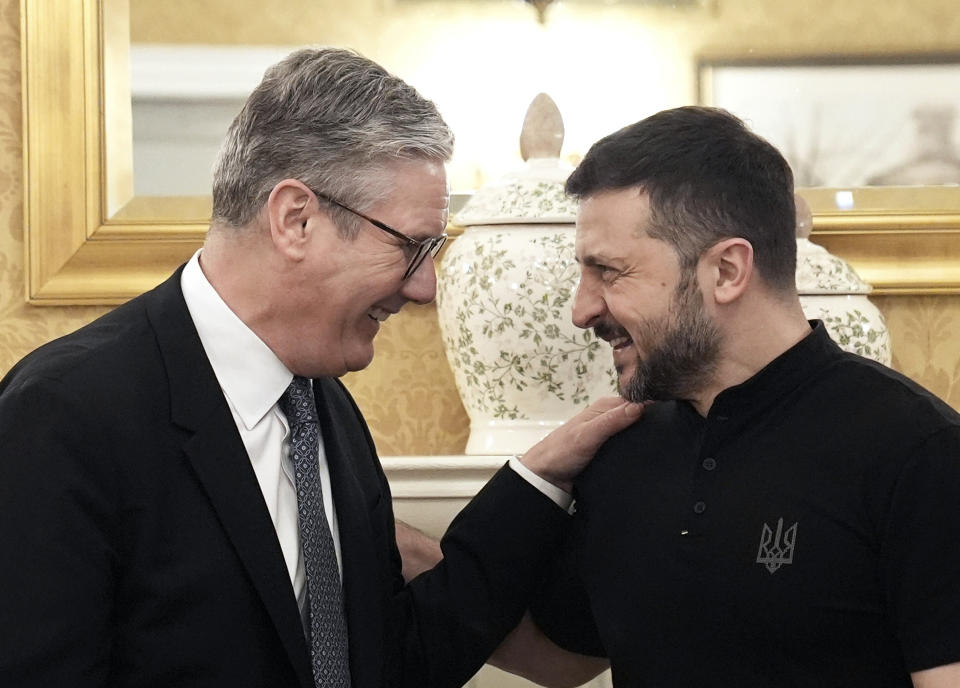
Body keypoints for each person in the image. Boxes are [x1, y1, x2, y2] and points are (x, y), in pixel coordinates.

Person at [0, 47, 643, 688]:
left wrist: (538, 475)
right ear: (295, 219)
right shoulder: (64, 414)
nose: (425, 289)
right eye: (413, 247)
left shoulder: (322, 403)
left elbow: (390, 660)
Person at [519, 106, 960, 687]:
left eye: (609, 271)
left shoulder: (920, 453)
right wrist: (378, 544)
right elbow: (568, 657)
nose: (582, 310)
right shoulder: (624, 448)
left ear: (727, 270)